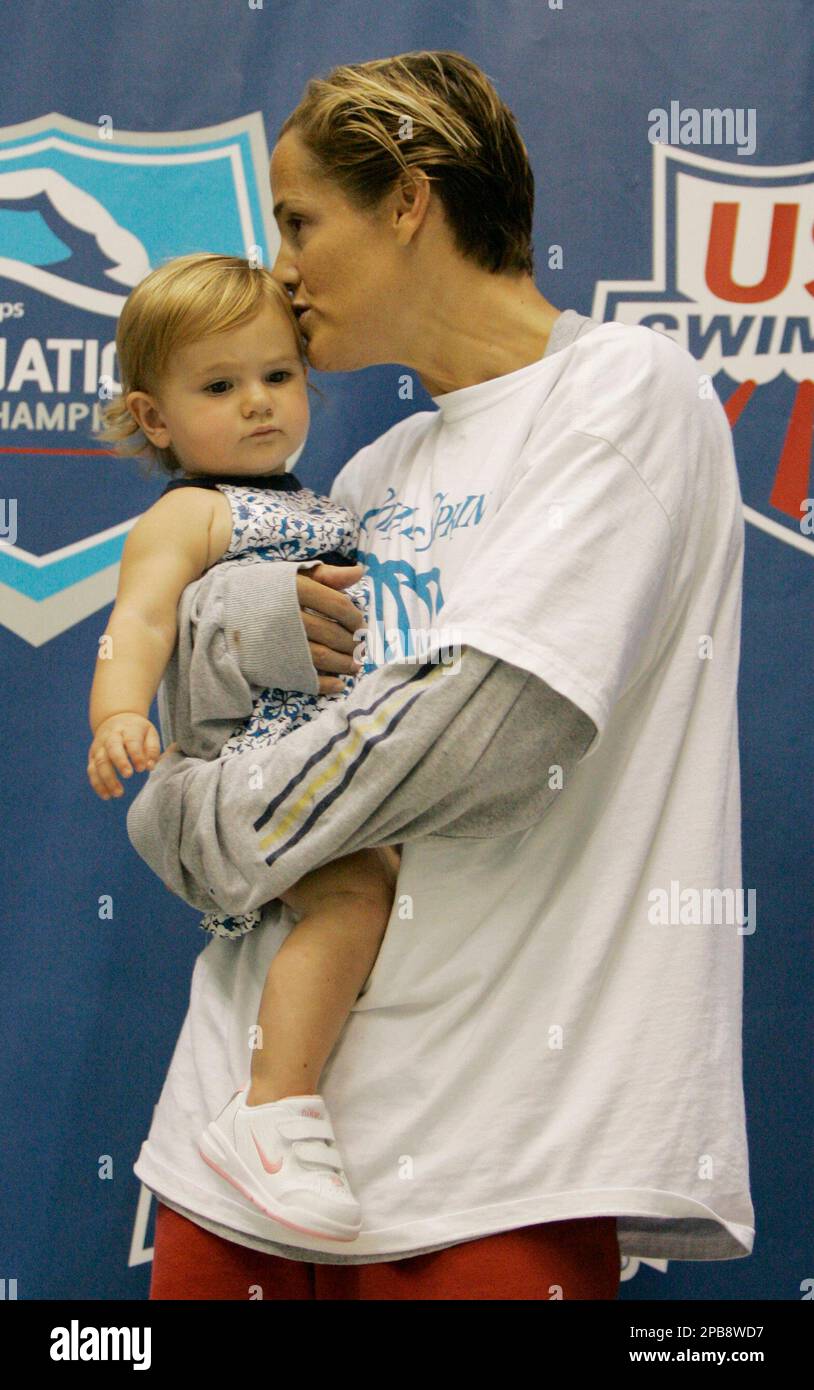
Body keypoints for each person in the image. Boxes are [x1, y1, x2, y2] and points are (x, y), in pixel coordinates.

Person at [127, 50, 754, 1300]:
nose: (282, 268)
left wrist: (202, 825)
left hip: (496, 1159)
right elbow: (193, 735)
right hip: (234, 1145)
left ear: (409, 199)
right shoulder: (367, 478)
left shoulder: (624, 390)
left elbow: (493, 729)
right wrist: (188, 797)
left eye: (301, 220)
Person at [87, 251, 405, 1243]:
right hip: (256, 768)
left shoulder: (331, 505)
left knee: (378, 893)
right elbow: (137, 623)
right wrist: (117, 715)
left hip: (335, 753)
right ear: (155, 418)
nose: (259, 403)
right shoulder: (192, 511)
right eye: (220, 386)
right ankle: (270, 1106)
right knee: (354, 894)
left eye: (277, 374)